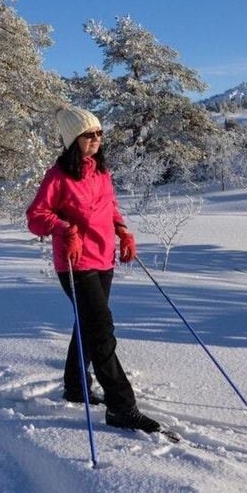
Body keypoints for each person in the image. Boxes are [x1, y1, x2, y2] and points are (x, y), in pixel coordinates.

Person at [25, 106, 167, 434]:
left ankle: (76, 386)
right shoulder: (58, 176)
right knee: (101, 329)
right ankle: (122, 406)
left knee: (89, 324)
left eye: (99, 133)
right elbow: (36, 216)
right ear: (73, 139)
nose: (97, 139)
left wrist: (123, 231)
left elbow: (110, 206)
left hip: (104, 259)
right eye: (89, 134)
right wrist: (66, 230)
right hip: (75, 263)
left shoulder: (101, 171)